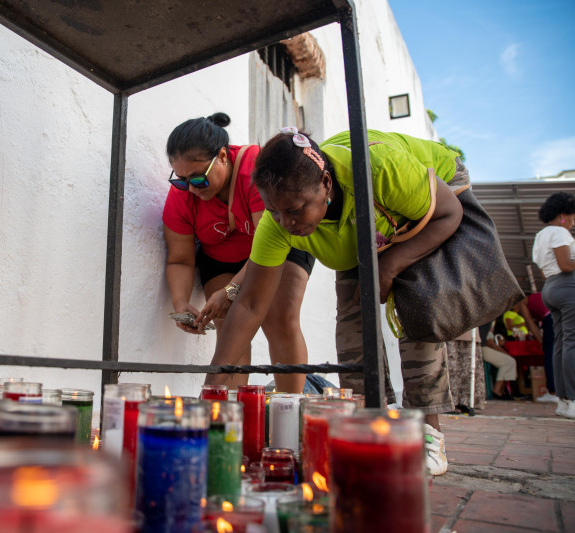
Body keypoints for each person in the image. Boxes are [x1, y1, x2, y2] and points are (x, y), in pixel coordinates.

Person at [197, 127, 469, 476]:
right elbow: (249, 305)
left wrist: (388, 267)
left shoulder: (380, 170)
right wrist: (211, 388)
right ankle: (370, 428)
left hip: (426, 210)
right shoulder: (280, 220)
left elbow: (448, 214)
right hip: (366, 231)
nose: (287, 224)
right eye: (276, 213)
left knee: (417, 305)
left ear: (325, 183)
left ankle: (428, 431)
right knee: (352, 335)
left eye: (295, 210)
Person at [162, 113, 315, 393]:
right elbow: (180, 259)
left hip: (279, 245)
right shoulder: (181, 197)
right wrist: (180, 301)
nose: (191, 189)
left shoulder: (255, 171)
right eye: (182, 181)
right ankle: (224, 419)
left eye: (198, 179)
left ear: (222, 156)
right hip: (222, 257)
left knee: (279, 317)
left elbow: (265, 250)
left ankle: (291, 410)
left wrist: (232, 291)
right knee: (230, 327)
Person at [531, 192, 575, 419]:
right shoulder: (560, 232)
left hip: (550, 288)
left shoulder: (540, 236)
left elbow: (543, 269)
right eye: (572, 216)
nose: (573, 221)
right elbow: (566, 265)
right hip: (568, 287)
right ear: (561, 216)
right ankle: (573, 399)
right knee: (572, 342)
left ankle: (563, 401)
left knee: (560, 344)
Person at [445, 329, 485, 415]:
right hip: (450, 328)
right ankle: (450, 402)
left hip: (469, 330)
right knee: (452, 367)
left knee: (467, 369)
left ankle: (465, 402)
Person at [527, 292, 557, 402]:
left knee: (550, 355)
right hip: (564, 315)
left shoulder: (522, 301)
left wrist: (541, 341)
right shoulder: (542, 294)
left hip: (551, 318)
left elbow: (531, 324)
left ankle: (553, 392)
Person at [479, 320, 519, 400]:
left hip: (483, 347)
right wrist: (505, 353)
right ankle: (497, 390)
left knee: (509, 361)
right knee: (509, 361)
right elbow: (489, 343)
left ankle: (501, 390)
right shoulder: (488, 319)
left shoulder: (490, 320)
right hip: (482, 348)